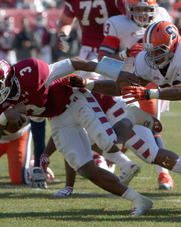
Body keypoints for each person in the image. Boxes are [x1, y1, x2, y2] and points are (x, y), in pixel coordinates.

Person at [0, 57, 160, 216]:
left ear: (7, 80)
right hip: (56, 118)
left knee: (109, 144)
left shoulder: (31, 72)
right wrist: (4, 117)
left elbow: (74, 63)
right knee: (85, 168)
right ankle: (138, 200)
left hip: (75, 99)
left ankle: (132, 116)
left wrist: (117, 73)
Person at [40, 87, 181, 196]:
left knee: (152, 154)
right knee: (80, 142)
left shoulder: (59, 98)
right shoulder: (55, 100)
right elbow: (69, 142)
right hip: (104, 113)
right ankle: (126, 164)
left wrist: (47, 153)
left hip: (116, 109)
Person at [97, 0, 174, 190]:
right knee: (120, 127)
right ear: (128, 9)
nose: (142, 14)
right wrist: (125, 54)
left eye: (146, 10)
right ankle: (115, 164)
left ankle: (164, 174)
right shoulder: (118, 24)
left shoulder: (163, 16)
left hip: (150, 81)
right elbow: (102, 59)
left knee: (153, 127)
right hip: (124, 83)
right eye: (137, 9)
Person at [56, 0, 134, 177]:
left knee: (100, 104)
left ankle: (107, 154)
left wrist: (62, 34)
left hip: (97, 54)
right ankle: (102, 154)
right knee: (94, 104)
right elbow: (130, 19)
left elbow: (65, 23)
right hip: (111, 54)